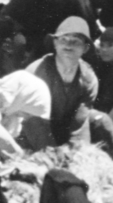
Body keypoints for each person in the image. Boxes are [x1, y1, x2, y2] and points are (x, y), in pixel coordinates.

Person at [19, 16, 113, 151]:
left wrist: (79, 156)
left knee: (101, 120)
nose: (68, 46)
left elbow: (79, 124)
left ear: (85, 48)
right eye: (63, 40)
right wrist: (55, 159)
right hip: (30, 132)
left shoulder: (88, 78)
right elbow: (34, 125)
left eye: (75, 42)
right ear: (55, 44)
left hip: (63, 129)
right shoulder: (36, 73)